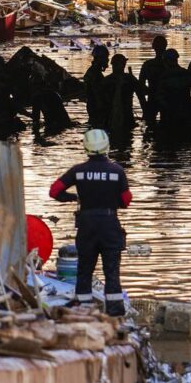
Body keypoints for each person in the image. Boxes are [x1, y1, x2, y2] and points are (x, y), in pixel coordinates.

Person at [49, 129, 131, 317]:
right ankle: (115, 315)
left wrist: (73, 197)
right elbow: (126, 200)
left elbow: (54, 191)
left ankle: (83, 313)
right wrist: (113, 201)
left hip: (86, 226)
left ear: (85, 147)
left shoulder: (78, 171)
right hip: (110, 225)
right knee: (111, 272)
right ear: (106, 146)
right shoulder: (117, 171)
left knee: (84, 270)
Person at [104, 54, 148, 134]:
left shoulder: (106, 80)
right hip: (126, 117)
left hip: (110, 118)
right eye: (123, 63)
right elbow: (141, 94)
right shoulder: (129, 78)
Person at [159, 49, 191, 127]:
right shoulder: (186, 74)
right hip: (186, 112)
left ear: (166, 61)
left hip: (169, 115)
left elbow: (160, 97)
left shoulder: (164, 77)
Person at [139, 36, 168, 122]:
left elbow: (141, 85)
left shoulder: (147, 65)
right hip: (167, 99)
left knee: (150, 125)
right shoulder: (170, 65)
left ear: (153, 47)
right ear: (166, 46)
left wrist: (144, 106)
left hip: (152, 98)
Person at [84, 45, 110, 128]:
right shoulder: (95, 74)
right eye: (106, 57)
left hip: (93, 108)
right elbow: (97, 94)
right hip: (97, 110)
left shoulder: (94, 71)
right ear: (100, 58)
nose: (107, 60)